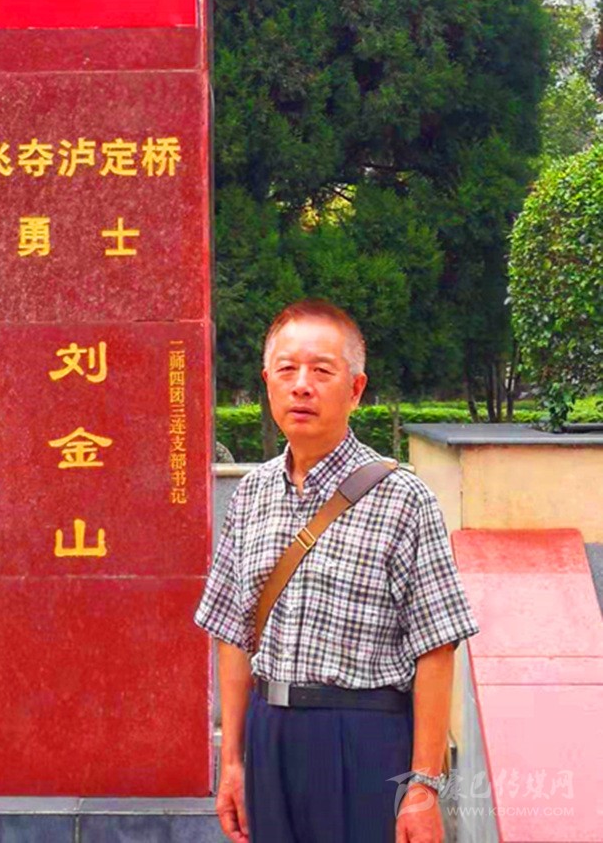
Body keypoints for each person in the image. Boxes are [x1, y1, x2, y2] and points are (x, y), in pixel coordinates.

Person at [195, 299, 478, 843]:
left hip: (366, 739)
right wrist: (232, 762)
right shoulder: (251, 495)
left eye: (322, 371)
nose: (302, 386)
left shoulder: (404, 499)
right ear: (267, 382)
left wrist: (423, 786)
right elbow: (232, 634)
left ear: (355, 389)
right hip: (268, 735)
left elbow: (436, 648)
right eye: (287, 369)